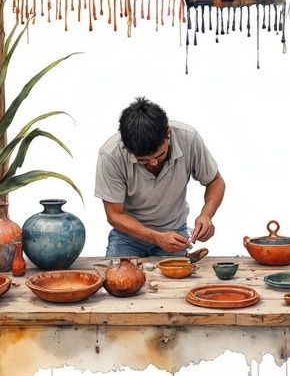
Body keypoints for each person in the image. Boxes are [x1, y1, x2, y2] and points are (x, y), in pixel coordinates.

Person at [94, 97, 225, 258]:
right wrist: (156, 237)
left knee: (181, 282)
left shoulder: (188, 139)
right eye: (143, 160)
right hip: (128, 237)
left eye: (160, 155)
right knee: (119, 281)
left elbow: (215, 180)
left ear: (168, 134)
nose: (154, 163)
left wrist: (206, 215)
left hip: (175, 233)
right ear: (126, 147)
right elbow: (115, 215)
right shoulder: (111, 155)